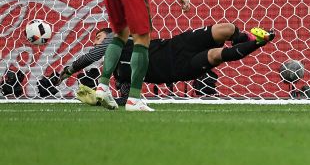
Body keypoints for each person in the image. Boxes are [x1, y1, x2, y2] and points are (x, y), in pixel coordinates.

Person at [58, 24, 275, 104]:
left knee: (225, 29)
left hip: (175, 45)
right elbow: (125, 97)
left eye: (99, 37)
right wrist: (102, 102)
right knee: (217, 55)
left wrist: (66, 72)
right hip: (176, 69)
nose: (97, 42)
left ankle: (244, 38)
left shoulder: (118, 41)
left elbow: (89, 56)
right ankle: (258, 43)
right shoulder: (119, 73)